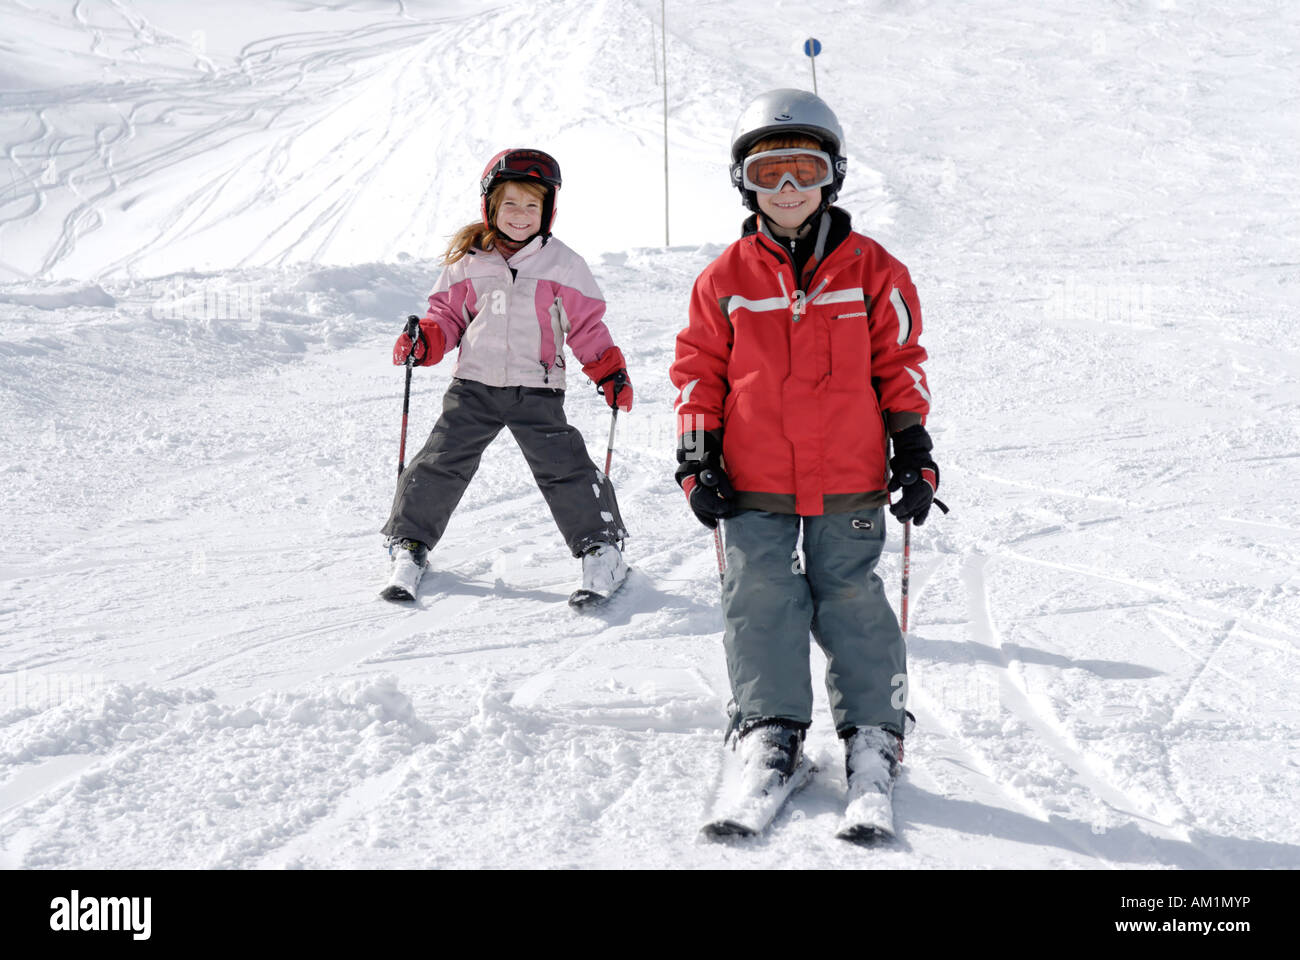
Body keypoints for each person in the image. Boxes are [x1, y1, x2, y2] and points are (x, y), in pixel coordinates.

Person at [670, 90, 941, 829]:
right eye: (768, 175)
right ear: (744, 184)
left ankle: (874, 739)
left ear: (834, 177)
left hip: (851, 476)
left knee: (853, 603)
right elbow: (699, 370)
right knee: (759, 600)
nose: (787, 191)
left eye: (804, 172)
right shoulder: (724, 278)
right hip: (752, 480)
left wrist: (912, 449)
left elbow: (900, 361)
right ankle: (771, 734)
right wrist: (698, 451)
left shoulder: (874, 269)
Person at [382, 148, 631, 602]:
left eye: (532, 205)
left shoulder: (564, 265)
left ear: (548, 211)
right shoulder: (469, 261)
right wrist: (427, 340)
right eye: (510, 204)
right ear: (491, 207)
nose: (521, 215)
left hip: (535, 388)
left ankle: (600, 549)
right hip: (473, 385)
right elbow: (447, 317)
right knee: (440, 462)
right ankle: (409, 543)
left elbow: (587, 327)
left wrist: (608, 370)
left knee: (565, 468)